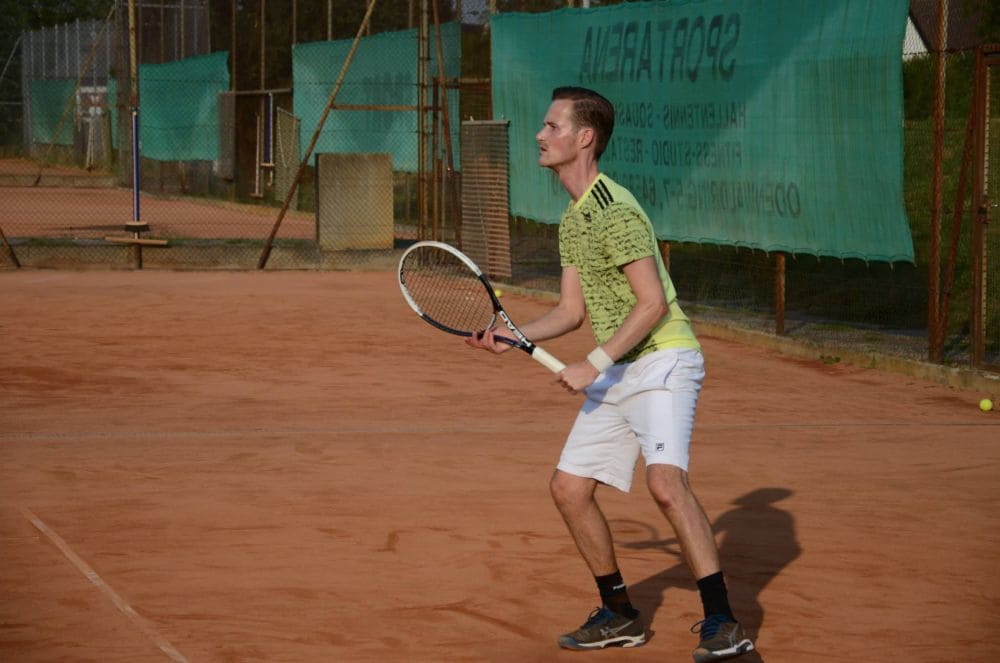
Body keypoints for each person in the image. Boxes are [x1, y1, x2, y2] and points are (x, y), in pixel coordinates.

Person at [465, 86, 755, 662]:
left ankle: (724, 623)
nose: (540, 136)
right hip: (621, 363)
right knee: (569, 489)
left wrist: (591, 363)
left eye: (552, 127)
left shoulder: (613, 209)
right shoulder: (572, 218)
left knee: (665, 484)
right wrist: (514, 333)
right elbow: (572, 311)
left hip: (665, 358)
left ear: (584, 138)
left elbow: (653, 304)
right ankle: (619, 613)